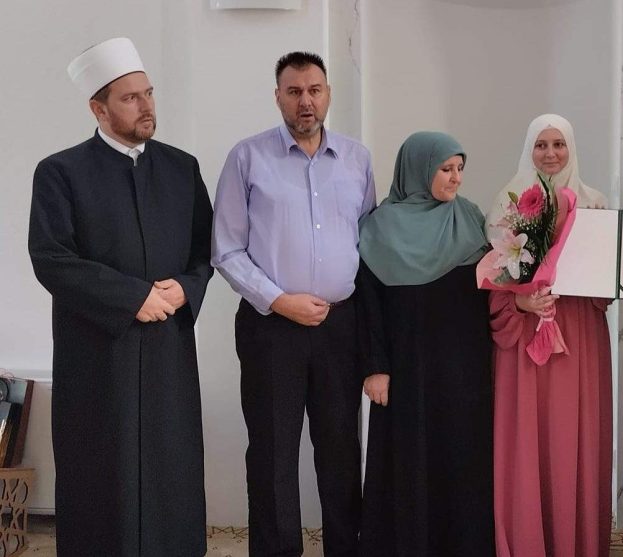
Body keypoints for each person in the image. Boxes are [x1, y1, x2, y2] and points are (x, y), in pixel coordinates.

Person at [28, 37, 213, 556]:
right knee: (100, 468)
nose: (146, 105)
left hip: (167, 351)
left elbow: (206, 251)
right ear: (99, 108)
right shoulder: (61, 172)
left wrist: (187, 288)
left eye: (149, 93)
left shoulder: (182, 168)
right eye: (130, 98)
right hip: (96, 355)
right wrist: (133, 298)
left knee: (170, 462)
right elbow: (51, 257)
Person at [211, 51, 376, 556]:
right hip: (270, 328)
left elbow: (368, 241)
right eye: (294, 91)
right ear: (278, 96)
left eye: (315, 90)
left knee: (341, 450)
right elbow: (226, 249)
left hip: (340, 328)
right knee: (272, 452)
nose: (306, 101)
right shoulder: (247, 158)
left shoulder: (357, 159)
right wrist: (279, 300)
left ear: (328, 94)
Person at [358, 131, 494, 557]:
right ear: (417, 170)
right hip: (407, 370)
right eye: (445, 169)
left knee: (461, 458)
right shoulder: (379, 227)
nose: (456, 178)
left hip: (464, 369)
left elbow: (493, 290)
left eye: (460, 169)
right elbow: (368, 306)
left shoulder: (470, 218)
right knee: (408, 459)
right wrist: (375, 367)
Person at [489, 114, 612, 557]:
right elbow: (494, 279)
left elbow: (606, 282)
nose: (550, 153)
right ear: (529, 149)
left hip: (578, 336)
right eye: (541, 145)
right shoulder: (507, 203)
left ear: (571, 148)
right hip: (525, 335)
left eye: (559, 144)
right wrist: (522, 303)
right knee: (527, 440)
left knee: (571, 440)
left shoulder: (594, 203)